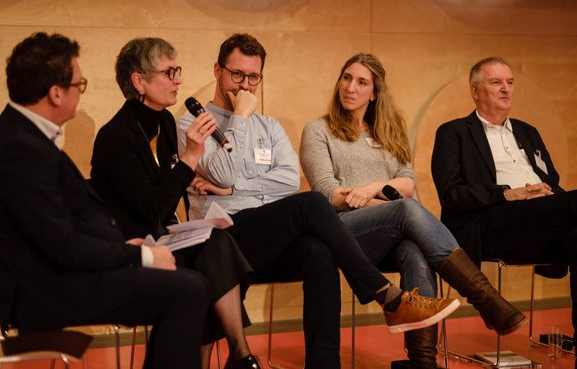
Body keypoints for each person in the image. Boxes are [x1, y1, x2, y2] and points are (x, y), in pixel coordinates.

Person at [177, 33, 460, 369]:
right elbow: (224, 174)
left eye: (254, 77)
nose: (245, 85)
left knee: (319, 251)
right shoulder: (190, 124)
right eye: (237, 74)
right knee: (312, 203)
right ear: (217, 70)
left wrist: (233, 189)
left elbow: (286, 180)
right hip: (224, 239)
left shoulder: (269, 126)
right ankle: (385, 294)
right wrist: (238, 119)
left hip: (267, 236)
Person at [0, 32, 209, 369]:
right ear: (56, 93)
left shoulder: (23, 135)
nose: (81, 92)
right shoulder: (19, 147)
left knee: (192, 278)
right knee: (188, 288)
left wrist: (126, 246)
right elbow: (61, 242)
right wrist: (138, 255)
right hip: (46, 290)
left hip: (62, 275)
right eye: (79, 85)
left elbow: (66, 226)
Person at [299, 53, 528, 368]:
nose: (350, 88)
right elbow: (328, 194)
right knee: (407, 210)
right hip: (342, 232)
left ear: (375, 92)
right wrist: (383, 200)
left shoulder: (389, 132)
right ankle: (485, 298)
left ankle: (423, 361)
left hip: (389, 232)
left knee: (415, 248)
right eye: (347, 78)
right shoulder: (318, 130)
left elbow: (407, 183)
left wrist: (371, 189)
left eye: (361, 82)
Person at [90, 37, 257, 369]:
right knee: (206, 269)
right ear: (139, 81)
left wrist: (191, 187)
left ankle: (240, 353)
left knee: (218, 240)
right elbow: (151, 207)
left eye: (177, 70)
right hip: (130, 248)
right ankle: (237, 356)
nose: (178, 79)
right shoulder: (115, 137)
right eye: (169, 72)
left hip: (163, 237)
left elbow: (165, 196)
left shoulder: (165, 122)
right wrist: (192, 157)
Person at [431, 56, 577, 344]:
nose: (506, 89)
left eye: (510, 82)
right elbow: (451, 195)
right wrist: (507, 193)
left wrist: (546, 193)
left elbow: (552, 181)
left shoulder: (528, 131)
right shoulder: (454, 133)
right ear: (475, 91)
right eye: (496, 82)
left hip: (539, 220)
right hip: (490, 222)